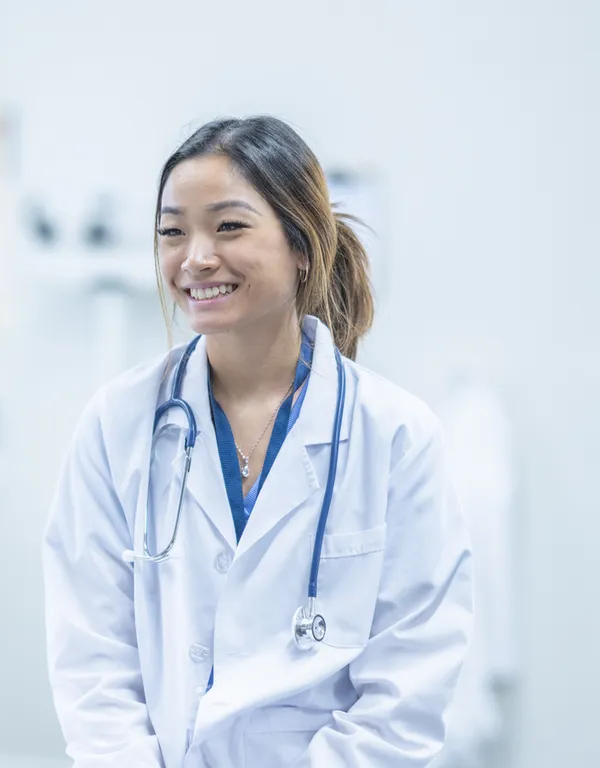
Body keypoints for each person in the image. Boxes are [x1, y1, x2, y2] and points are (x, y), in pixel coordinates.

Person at [41, 116, 473, 767]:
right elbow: (92, 660)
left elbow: (405, 689)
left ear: (302, 244)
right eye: (172, 232)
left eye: (229, 226)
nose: (195, 257)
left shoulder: (397, 436)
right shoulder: (118, 423)